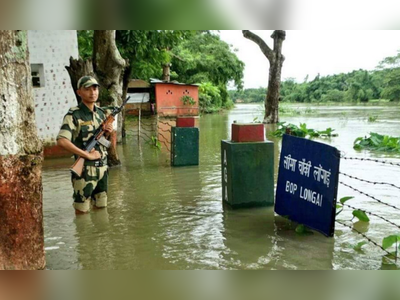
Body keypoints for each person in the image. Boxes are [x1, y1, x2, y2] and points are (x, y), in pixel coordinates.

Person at [57, 76, 114, 214]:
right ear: (79, 92)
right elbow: (61, 140)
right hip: (84, 171)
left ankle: (99, 235)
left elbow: (106, 142)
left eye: (94, 88)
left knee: (101, 209)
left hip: (103, 169)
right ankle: (83, 236)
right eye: (87, 89)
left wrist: (107, 133)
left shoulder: (102, 114)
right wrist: (86, 155)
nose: (92, 92)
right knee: (82, 211)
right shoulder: (74, 115)